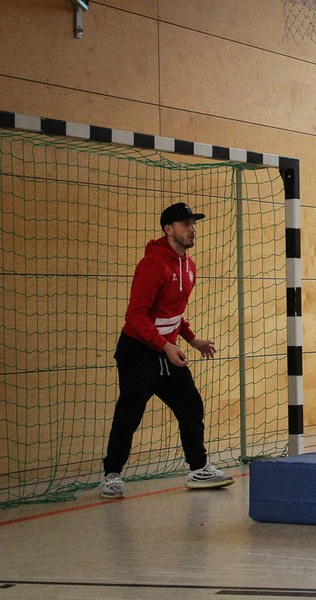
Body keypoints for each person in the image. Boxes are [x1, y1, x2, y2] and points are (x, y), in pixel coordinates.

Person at [98, 202, 234, 498]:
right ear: (168, 229)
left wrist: (192, 340)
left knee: (190, 405)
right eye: (185, 224)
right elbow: (135, 316)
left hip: (167, 350)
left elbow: (172, 313)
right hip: (138, 351)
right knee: (130, 413)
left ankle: (198, 469)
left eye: (193, 223)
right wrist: (165, 346)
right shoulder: (153, 264)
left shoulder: (189, 267)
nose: (192, 229)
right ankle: (111, 475)